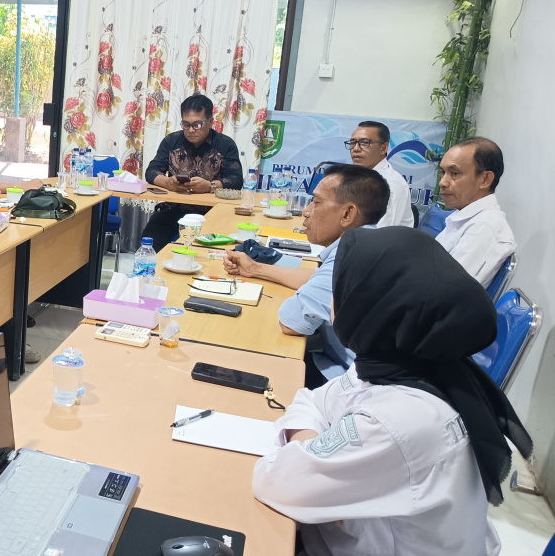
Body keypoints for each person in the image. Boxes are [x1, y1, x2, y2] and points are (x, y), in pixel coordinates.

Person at [252, 226, 532, 556]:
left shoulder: (401, 419)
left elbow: (276, 482)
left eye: (342, 289)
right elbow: (311, 400)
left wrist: (313, 464)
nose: (332, 299)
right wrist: (315, 454)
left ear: (370, 307)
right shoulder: (401, 362)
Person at [223, 164, 389, 387]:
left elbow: (291, 322)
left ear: (348, 214)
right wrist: (254, 269)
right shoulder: (366, 245)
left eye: (316, 202)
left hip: (352, 384)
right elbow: (317, 277)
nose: (306, 211)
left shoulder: (350, 257)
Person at [141, 94, 243, 251]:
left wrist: (209, 186)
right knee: (150, 239)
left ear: (210, 122)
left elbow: (236, 180)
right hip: (173, 210)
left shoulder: (225, 145)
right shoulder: (171, 141)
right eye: (186, 124)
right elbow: (152, 171)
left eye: (197, 125)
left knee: (207, 250)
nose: (190, 130)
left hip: (211, 212)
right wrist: (168, 183)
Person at [435, 137, 516, 287]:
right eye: (443, 172)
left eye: (454, 173)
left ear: (485, 179)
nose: (443, 182)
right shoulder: (464, 217)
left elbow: (445, 289)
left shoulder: (484, 227)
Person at [344, 120, 413, 227]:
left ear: (383, 148)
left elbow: (379, 231)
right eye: (353, 143)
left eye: (365, 143)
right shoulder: (358, 177)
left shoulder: (391, 185)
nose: (356, 149)